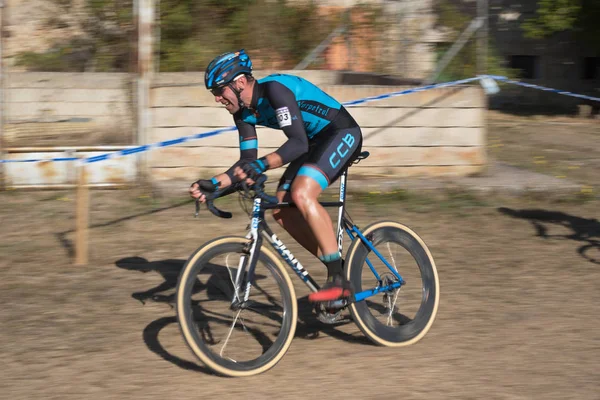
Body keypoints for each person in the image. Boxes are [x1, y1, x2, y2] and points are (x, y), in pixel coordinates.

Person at [189, 49, 363, 303]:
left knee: (302, 193)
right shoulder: (242, 113)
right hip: (312, 142)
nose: (217, 99)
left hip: (340, 132)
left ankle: (338, 280)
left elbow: (297, 145)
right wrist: (215, 184)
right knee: (282, 208)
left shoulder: (274, 91)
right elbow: (247, 162)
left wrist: (261, 166)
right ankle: (336, 266)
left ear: (239, 83)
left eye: (219, 91)